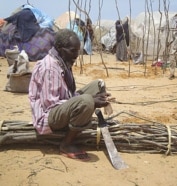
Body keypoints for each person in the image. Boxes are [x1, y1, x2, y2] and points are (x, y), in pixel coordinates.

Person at [28, 29, 113, 161]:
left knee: (98, 84)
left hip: (62, 103)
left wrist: (91, 97)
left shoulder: (61, 61)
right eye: (72, 51)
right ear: (61, 49)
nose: (76, 55)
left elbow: (68, 96)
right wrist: (90, 101)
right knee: (86, 102)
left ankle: (83, 114)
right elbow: (50, 105)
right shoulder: (50, 68)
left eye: (77, 51)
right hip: (48, 117)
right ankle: (67, 144)